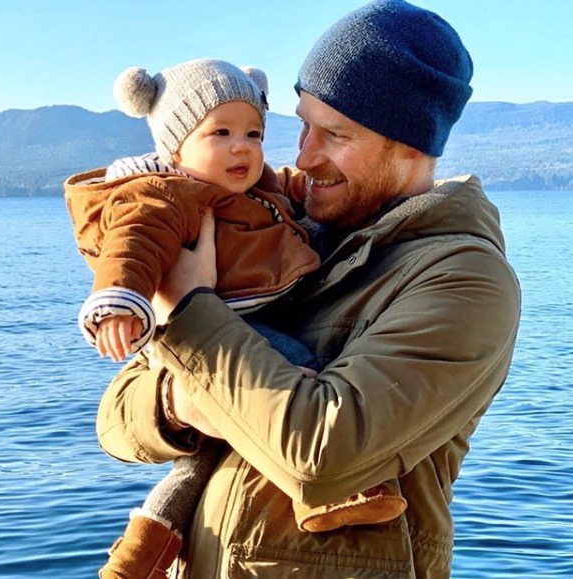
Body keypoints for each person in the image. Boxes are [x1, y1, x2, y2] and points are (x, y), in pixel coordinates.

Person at [96, 1, 522, 577]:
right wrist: (178, 403)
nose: (303, 156)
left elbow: (322, 457)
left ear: (411, 144)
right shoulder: (284, 228)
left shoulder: (464, 278)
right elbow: (115, 420)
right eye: (302, 125)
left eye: (335, 135)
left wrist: (189, 311)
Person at [65, 58, 407, 579]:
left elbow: (291, 188)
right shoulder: (163, 195)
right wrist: (119, 304)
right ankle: (348, 487)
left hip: (221, 332)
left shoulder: (250, 188)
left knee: (196, 465)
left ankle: (139, 558)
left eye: (254, 133)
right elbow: (132, 246)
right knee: (301, 370)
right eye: (220, 133)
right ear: (175, 145)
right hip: (227, 324)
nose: (242, 147)